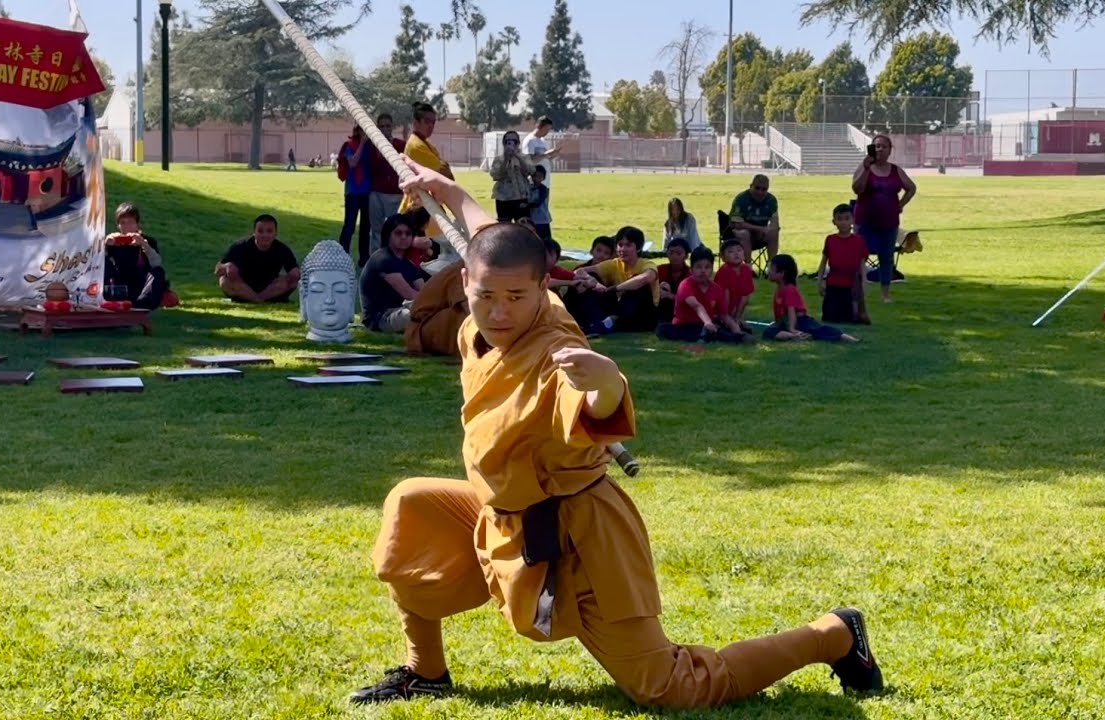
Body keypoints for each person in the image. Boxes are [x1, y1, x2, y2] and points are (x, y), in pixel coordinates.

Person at [351, 155, 883, 708]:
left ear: (543, 290)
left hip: (578, 537)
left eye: (516, 299)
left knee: (672, 688)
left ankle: (834, 634)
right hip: (499, 515)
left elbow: (594, 404)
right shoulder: (489, 290)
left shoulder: (558, 348)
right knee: (412, 510)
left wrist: (606, 381)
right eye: (486, 297)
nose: (499, 313)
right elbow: (488, 235)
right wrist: (448, 189)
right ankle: (425, 671)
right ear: (466, 281)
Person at [852, 134, 917, 304]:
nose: (880, 149)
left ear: (890, 150)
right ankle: (860, 292)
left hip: (889, 223)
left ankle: (886, 294)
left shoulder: (895, 170)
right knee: (859, 257)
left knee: (886, 258)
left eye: (884, 146)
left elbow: (911, 188)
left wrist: (900, 204)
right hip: (865, 221)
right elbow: (857, 189)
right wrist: (866, 169)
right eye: (877, 146)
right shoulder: (864, 167)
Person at [398, 103, 457, 271]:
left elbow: (445, 172)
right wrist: (445, 168)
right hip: (419, 211)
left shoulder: (426, 144)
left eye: (433, 122)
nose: (431, 126)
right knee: (422, 262)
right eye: (427, 121)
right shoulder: (416, 146)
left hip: (429, 209)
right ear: (416, 122)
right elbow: (443, 174)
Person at [573, 226, 659, 334]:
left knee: (638, 286)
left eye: (628, 245)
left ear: (638, 248)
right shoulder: (614, 264)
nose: (623, 249)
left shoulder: (646, 264)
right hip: (619, 307)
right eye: (620, 245)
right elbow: (579, 271)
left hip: (643, 313)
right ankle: (597, 323)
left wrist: (616, 288)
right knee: (590, 277)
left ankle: (609, 322)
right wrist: (595, 283)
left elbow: (646, 278)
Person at [656, 246, 748, 343]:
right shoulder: (686, 284)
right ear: (691, 270)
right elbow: (697, 306)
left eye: (707, 267)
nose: (703, 271)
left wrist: (737, 331)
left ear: (712, 270)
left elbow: (724, 315)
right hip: (684, 326)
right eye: (699, 267)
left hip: (704, 325)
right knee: (663, 329)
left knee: (721, 330)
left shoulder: (716, 289)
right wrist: (708, 322)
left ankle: (736, 337)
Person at [360, 214, 431, 333]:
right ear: (388, 235)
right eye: (398, 233)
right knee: (419, 313)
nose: (404, 237)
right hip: (380, 318)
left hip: (400, 310)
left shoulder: (409, 264)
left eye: (408, 233)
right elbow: (410, 295)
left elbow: (423, 291)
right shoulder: (383, 259)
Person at [764, 254, 859, 343]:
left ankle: (851, 340)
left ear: (781, 273)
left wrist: (792, 328)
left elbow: (791, 310)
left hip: (801, 321)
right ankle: (796, 336)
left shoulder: (789, 289)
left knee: (822, 331)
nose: (769, 272)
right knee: (769, 332)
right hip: (786, 322)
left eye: (772, 269)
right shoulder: (779, 289)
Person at [103, 202, 175, 310]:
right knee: (104, 262)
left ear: (137, 224)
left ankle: (143, 304)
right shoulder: (114, 241)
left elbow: (156, 263)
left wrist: (144, 244)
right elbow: (97, 263)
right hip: (121, 285)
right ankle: (105, 298)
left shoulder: (148, 241)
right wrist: (104, 245)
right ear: (118, 225)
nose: (127, 226)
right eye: (123, 223)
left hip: (141, 284)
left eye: (131, 222)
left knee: (158, 271)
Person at [215, 215, 300, 303]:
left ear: (275, 233)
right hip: (242, 286)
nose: (265, 235)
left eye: (269, 231)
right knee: (224, 280)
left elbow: (295, 273)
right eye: (260, 231)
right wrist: (227, 266)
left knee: (294, 280)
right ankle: (257, 299)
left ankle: (257, 299)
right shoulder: (241, 246)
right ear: (254, 232)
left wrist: (295, 274)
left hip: (269, 289)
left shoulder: (282, 250)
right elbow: (217, 270)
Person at [816, 203, 871, 325]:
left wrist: (863, 282)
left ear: (853, 220)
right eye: (839, 219)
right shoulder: (830, 239)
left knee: (850, 318)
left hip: (850, 285)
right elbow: (823, 261)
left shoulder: (858, 241)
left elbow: (862, 264)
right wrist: (820, 281)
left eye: (847, 218)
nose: (843, 222)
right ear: (834, 221)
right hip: (833, 283)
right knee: (829, 317)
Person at [405, 258, 468, 356]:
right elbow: (467, 307)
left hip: (432, 323)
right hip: (421, 329)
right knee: (465, 317)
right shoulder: (463, 270)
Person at [368, 113, 408, 260]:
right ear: (378, 128)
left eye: (388, 126)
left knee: (394, 229)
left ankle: (394, 259)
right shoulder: (372, 146)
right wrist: (379, 150)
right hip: (377, 192)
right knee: (376, 230)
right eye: (382, 126)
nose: (385, 129)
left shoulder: (400, 145)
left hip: (395, 193)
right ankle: (375, 260)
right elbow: (371, 168)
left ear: (392, 127)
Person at [337, 125, 373, 264]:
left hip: (367, 192)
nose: (364, 133)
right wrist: (362, 144)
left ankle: (364, 258)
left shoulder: (371, 147)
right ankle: (342, 256)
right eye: (362, 130)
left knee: (365, 227)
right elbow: (352, 163)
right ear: (357, 131)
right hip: (353, 192)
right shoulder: (349, 145)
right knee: (349, 226)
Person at [727, 175, 781, 262]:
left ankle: (772, 266)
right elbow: (738, 224)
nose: (760, 192)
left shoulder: (771, 200)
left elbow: (775, 222)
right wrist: (760, 229)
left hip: (759, 234)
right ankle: (748, 267)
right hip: (738, 235)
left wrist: (772, 229)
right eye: (757, 188)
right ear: (751, 186)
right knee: (744, 233)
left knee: (774, 232)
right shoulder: (741, 199)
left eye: (764, 189)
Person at [490, 130, 535, 222]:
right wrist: (506, 159)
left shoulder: (525, 157)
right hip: (503, 198)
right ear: (504, 143)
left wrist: (518, 157)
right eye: (508, 141)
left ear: (518, 143)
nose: (511, 144)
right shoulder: (499, 159)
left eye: (514, 141)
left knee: (523, 226)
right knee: (504, 226)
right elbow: (496, 175)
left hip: (521, 197)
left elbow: (530, 171)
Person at [714, 240, 755, 332]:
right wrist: (727, 318)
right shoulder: (724, 272)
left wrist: (737, 317)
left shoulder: (746, 270)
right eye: (730, 251)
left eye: (739, 250)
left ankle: (737, 319)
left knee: (740, 325)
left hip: (734, 308)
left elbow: (745, 296)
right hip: (719, 310)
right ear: (723, 257)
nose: (736, 254)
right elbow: (724, 299)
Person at [656, 237, 691, 324]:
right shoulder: (660, 269)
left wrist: (671, 296)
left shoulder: (691, 274)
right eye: (671, 253)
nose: (674, 256)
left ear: (686, 256)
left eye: (678, 253)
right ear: (667, 254)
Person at [522, 115, 560, 188]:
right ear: (539, 127)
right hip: (533, 182)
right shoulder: (530, 140)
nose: (547, 132)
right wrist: (545, 155)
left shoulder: (543, 141)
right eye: (546, 129)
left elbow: (546, 158)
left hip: (545, 182)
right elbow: (529, 161)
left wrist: (553, 155)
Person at [528, 167, 552, 239]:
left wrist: (526, 205)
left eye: (539, 177)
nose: (536, 179)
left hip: (542, 219)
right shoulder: (529, 188)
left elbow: (538, 203)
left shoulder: (543, 189)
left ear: (543, 178)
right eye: (534, 176)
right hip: (532, 219)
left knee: (545, 240)